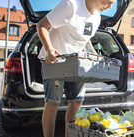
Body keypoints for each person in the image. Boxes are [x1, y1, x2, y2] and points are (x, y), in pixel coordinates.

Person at [36, 0, 116, 136]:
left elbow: (85, 40)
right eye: (109, 2)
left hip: (76, 63)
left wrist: (95, 57)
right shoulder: (70, 5)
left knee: (77, 102)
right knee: (53, 103)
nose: (110, 6)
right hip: (55, 61)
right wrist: (49, 49)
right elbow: (42, 25)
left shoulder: (96, 17)